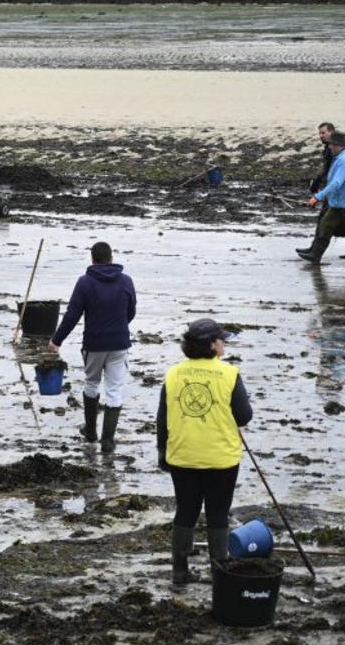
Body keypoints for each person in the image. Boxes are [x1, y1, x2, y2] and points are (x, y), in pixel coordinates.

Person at [156, 318, 253, 586]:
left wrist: (162, 453)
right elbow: (244, 416)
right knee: (218, 513)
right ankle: (219, 571)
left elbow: (162, 419)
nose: (224, 343)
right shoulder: (230, 374)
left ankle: (179, 571)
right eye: (221, 339)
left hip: (183, 457)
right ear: (212, 345)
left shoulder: (173, 374)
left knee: (185, 510)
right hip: (221, 459)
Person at [48, 241, 137, 452]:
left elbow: (72, 315)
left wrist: (56, 340)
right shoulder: (126, 281)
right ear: (111, 258)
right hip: (119, 343)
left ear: (92, 259)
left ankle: (90, 432)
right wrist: (119, 327)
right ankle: (108, 441)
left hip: (94, 344)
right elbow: (131, 311)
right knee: (114, 390)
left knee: (91, 383)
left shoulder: (85, 283)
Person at [298, 123, 345, 262]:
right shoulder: (339, 156)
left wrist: (318, 197)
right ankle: (315, 255)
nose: (328, 147)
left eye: (331, 145)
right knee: (325, 226)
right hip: (338, 202)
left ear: (337, 145)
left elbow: (336, 183)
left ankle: (315, 254)